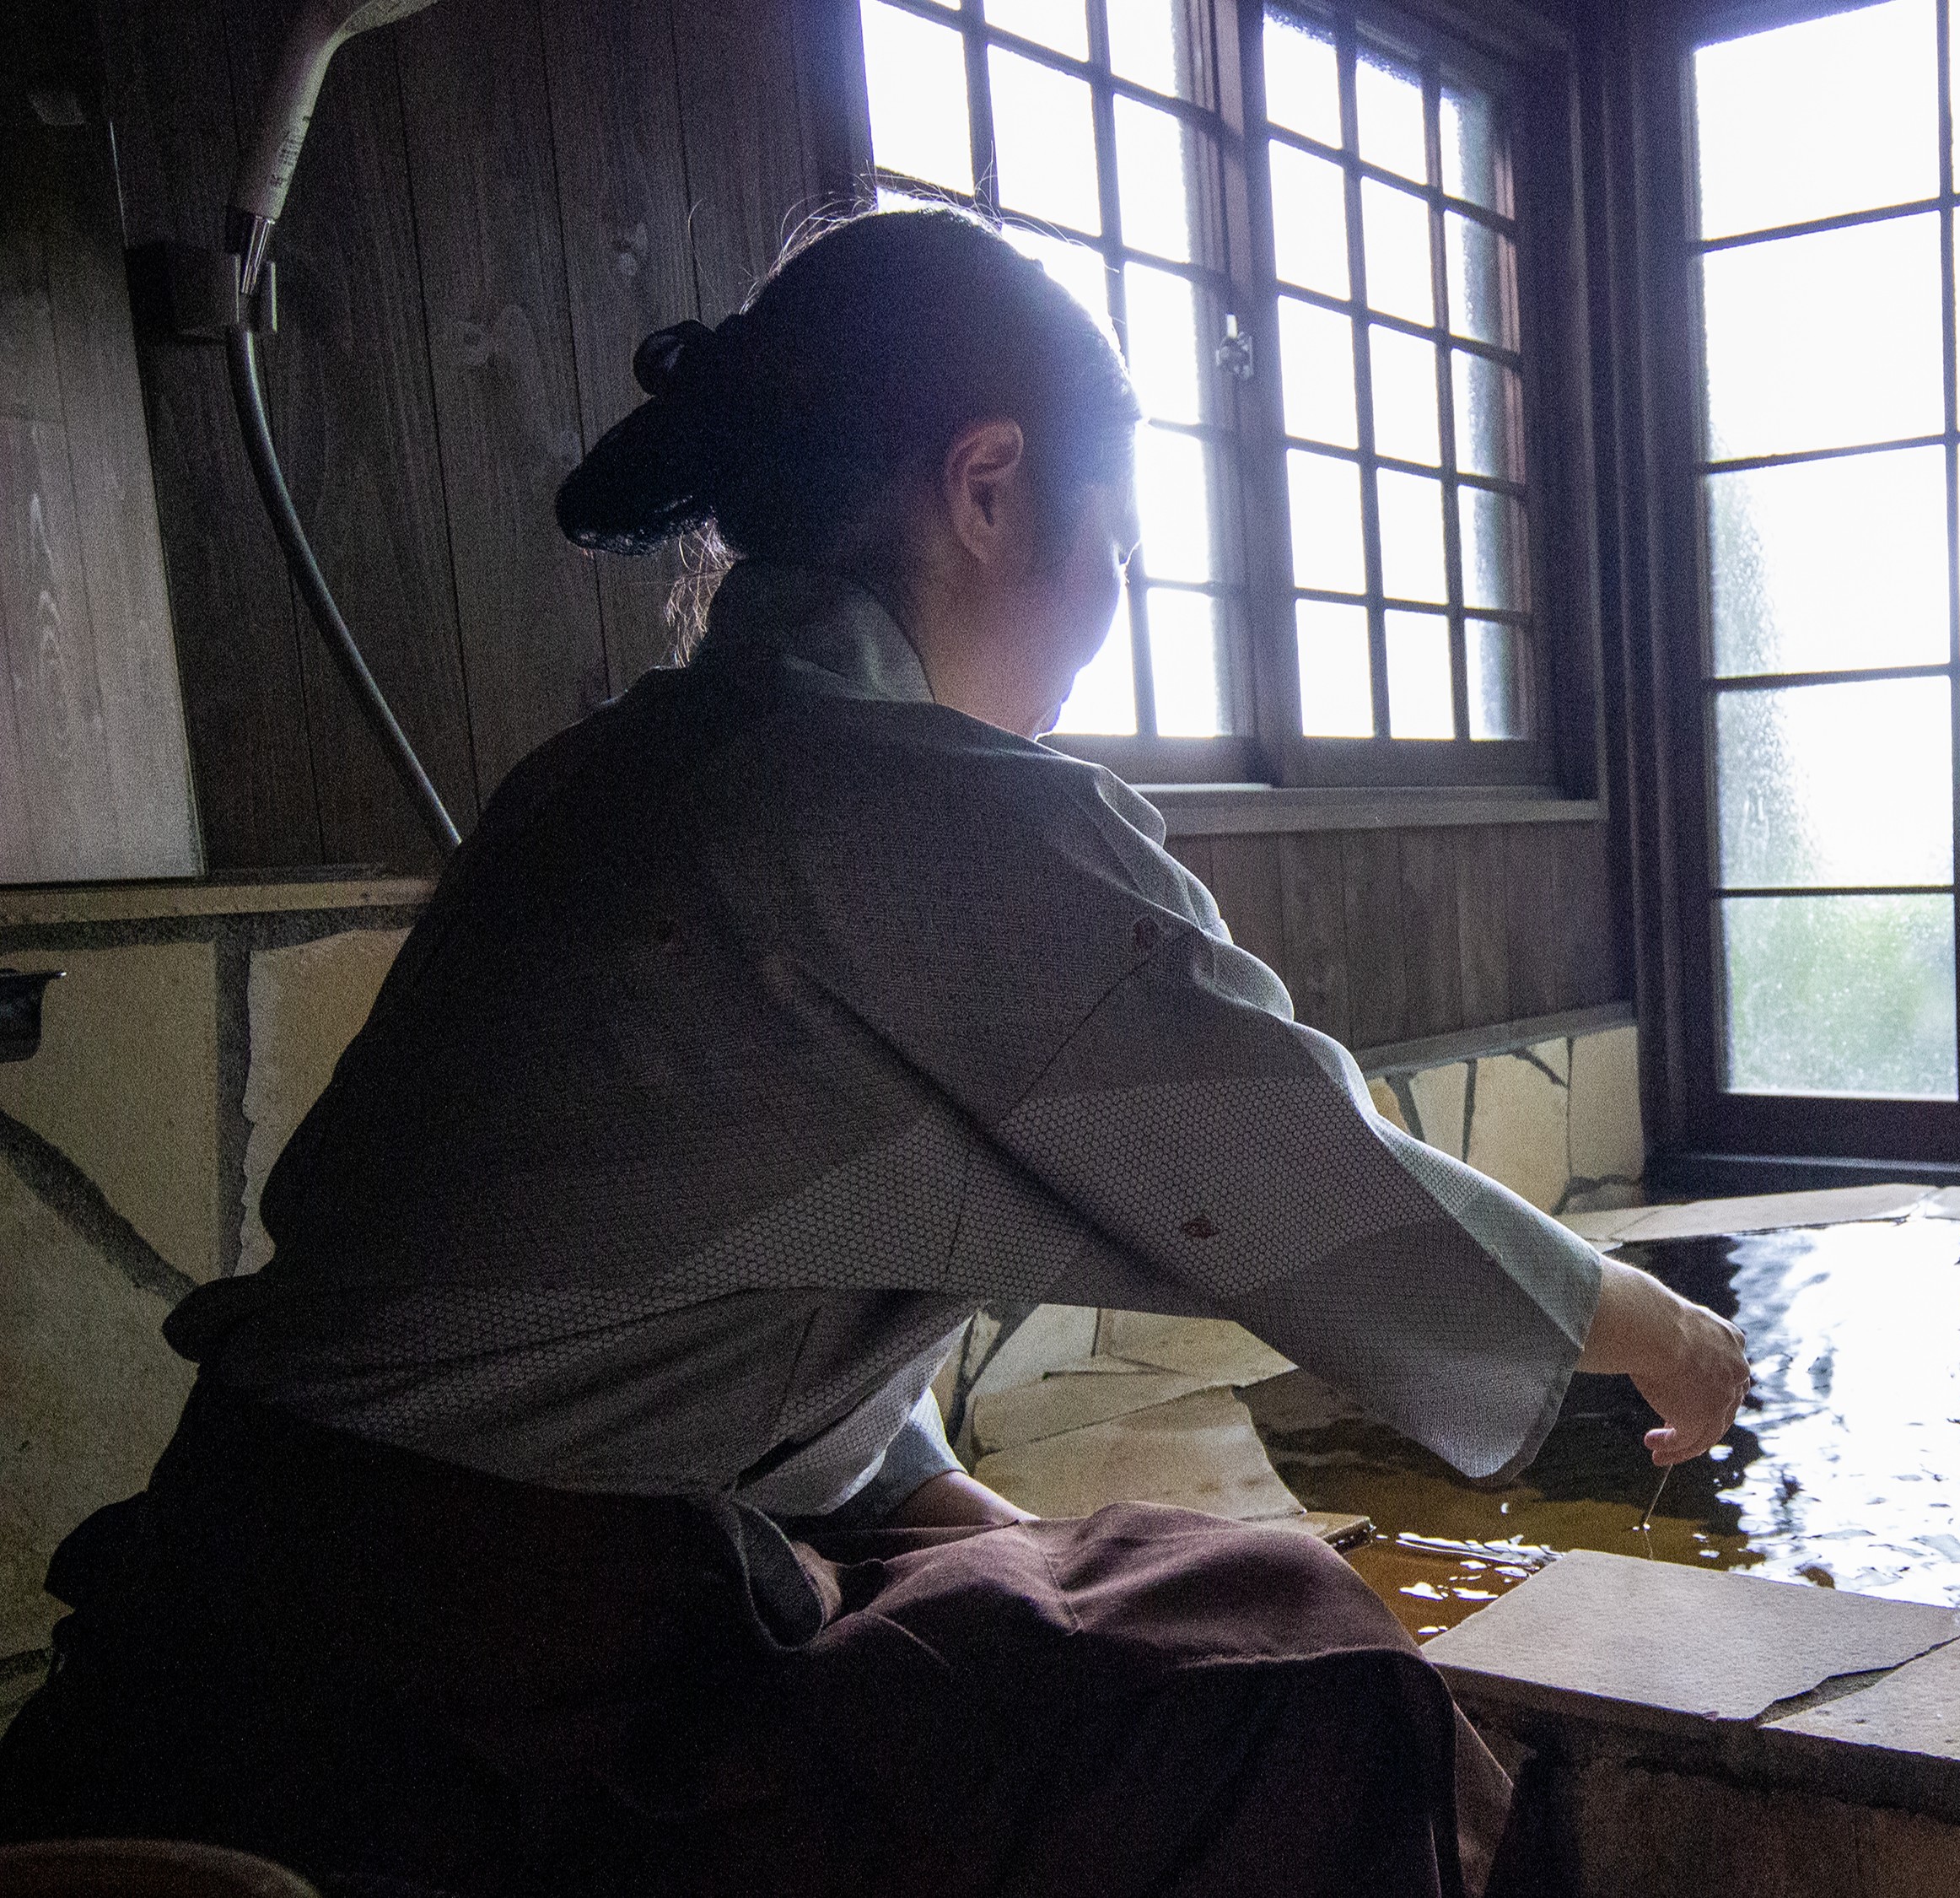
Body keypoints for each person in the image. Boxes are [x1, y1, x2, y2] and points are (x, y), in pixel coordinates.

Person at [0, 206, 1748, 1898]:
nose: (1113, 595)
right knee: (1296, 1672)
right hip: (449, 1730)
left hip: (237, 1643)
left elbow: (708, 1293)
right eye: (1114, 534)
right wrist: (1655, 1328)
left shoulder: (622, 773)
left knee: (1135, 1576)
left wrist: (948, 1515)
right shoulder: (917, 814)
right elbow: (1313, 1188)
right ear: (986, 488)